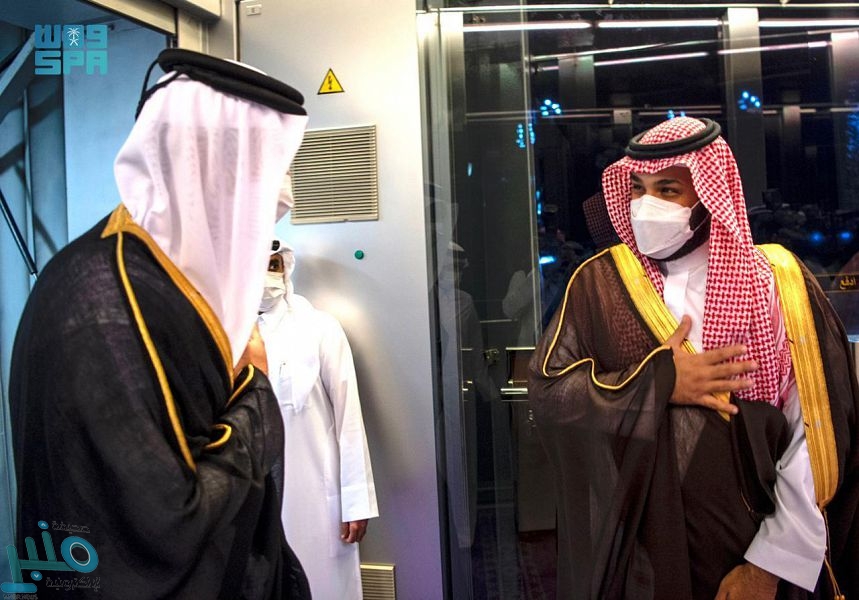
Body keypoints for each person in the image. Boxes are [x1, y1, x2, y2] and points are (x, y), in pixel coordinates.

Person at [8, 49, 311, 599]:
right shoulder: (102, 301)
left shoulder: (159, 278)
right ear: (213, 173)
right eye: (265, 183)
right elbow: (164, 526)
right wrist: (255, 392)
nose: (281, 200)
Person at [528, 117, 859, 599]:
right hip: (641, 553)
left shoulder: (774, 283)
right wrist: (657, 383)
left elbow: (813, 434)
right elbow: (550, 393)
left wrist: (769, 566)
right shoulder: (599, 283)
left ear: (708, 195)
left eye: (667, 190)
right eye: (637, 189)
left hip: (750, 541)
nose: (646, 206)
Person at [258, 240, 379, 600]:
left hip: (315, 497)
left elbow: (349, 418)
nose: (266, 275)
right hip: (251, 496)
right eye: (257, 264)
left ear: (286, 268)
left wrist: (356, 502)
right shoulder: (223, 333)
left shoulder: (319, 328)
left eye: (274, 265)